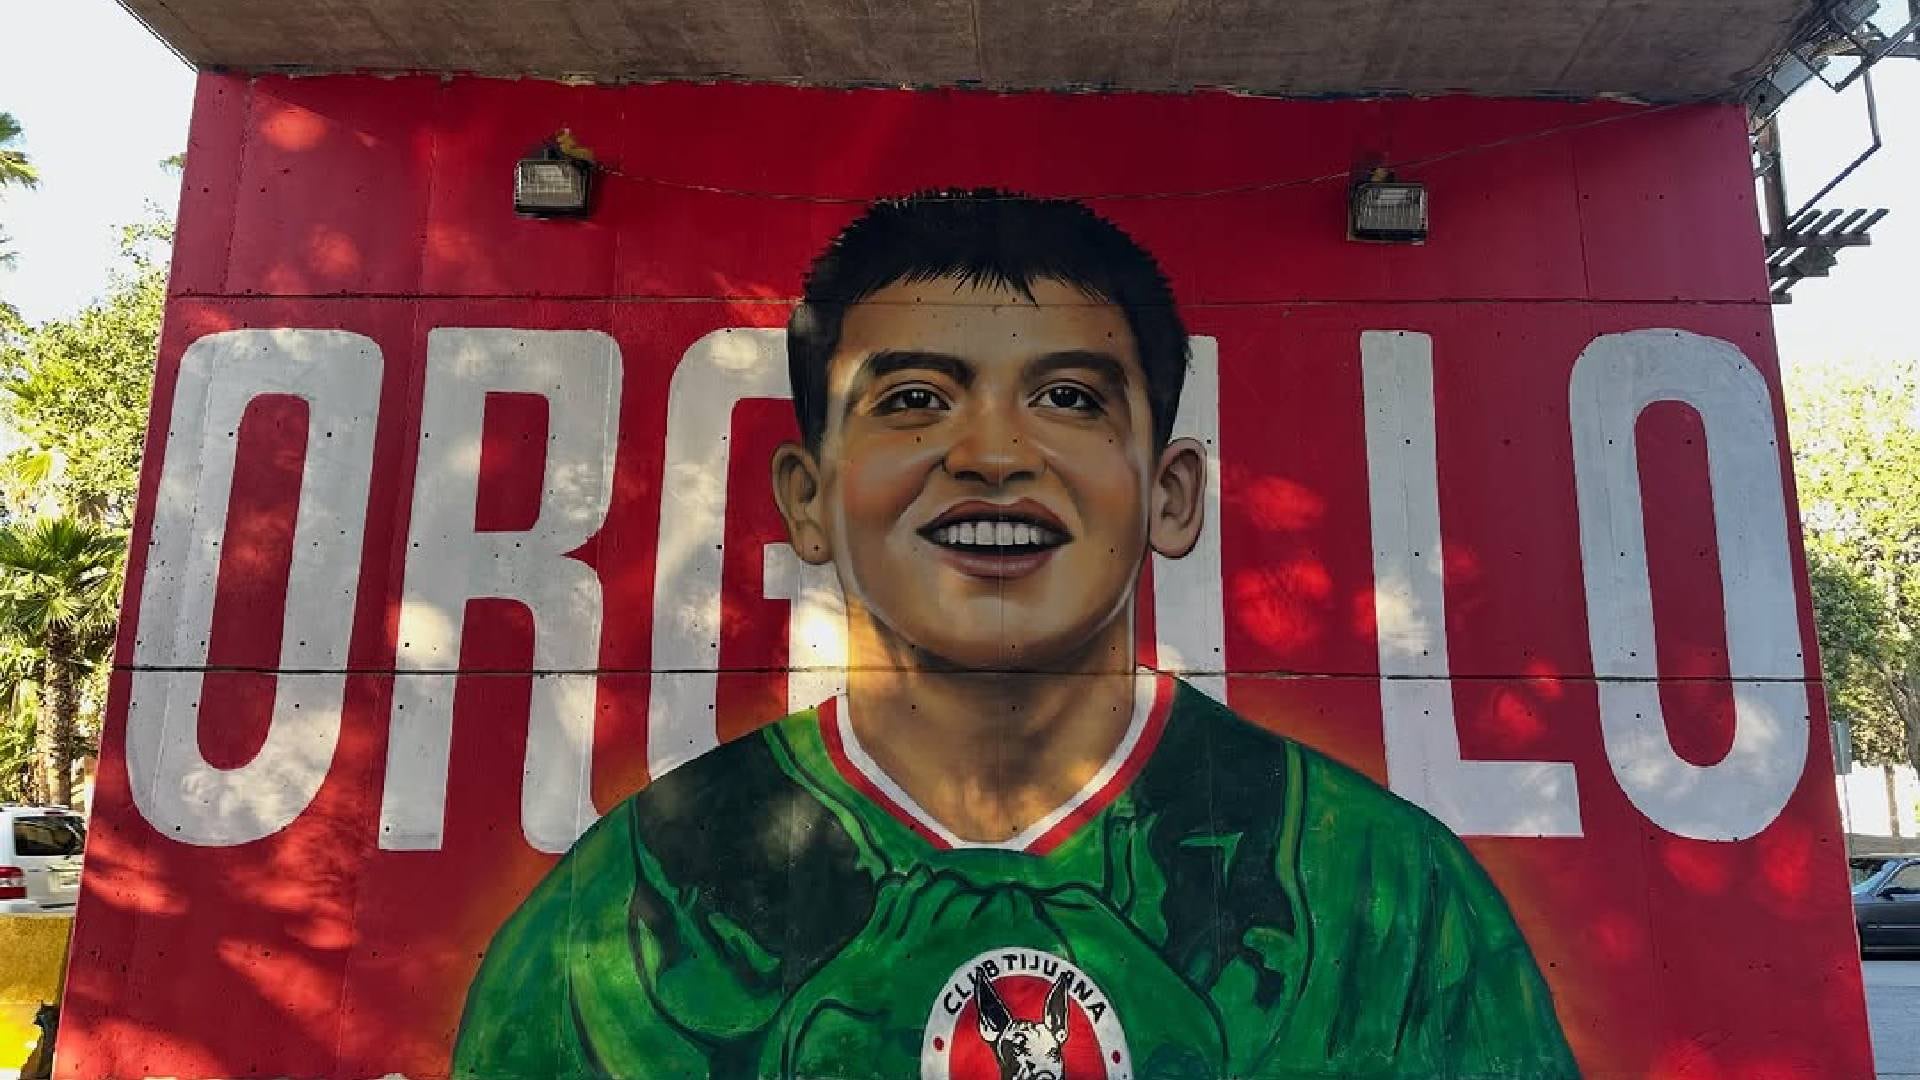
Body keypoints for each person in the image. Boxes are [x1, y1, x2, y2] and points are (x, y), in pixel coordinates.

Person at [452, 190, 1577, 1079]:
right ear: (808, 496)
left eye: (1072, 399)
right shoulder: (629, 914)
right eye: (912, 400)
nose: (992, 454)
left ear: (1172, 494)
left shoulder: (1387, 901)